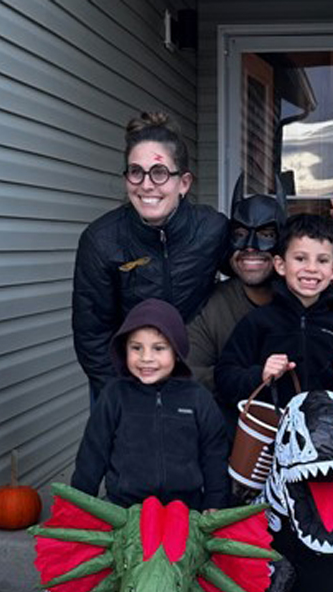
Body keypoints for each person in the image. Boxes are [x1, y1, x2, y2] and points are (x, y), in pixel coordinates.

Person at [188, 192, 333, 466]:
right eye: (240, 234)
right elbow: (192, 374)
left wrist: (332, 407)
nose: (251, 248)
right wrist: (259, 389)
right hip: (257, 418)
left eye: (266, 234)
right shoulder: (221, 304)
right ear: (285, 263)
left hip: (332, 420)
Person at [72, 111, 230, 400]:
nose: (146, 185)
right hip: (124, 381)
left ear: (183, 183)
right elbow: (92, 335)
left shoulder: (210, 229)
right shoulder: (101, 241)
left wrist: (323, 272)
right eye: (136, 172)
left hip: (192, 379)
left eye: (159, 173)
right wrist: (122, 398)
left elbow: (255, 263)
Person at [71, 298, 229, 512]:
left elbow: (214, 455)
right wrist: (77, 504)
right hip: (124, 508)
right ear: (124, 348)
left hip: (185, 511)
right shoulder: (115, 396)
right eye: (136, 348)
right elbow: (92, 453)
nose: (146, 358)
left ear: (177, 350)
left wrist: (214, 503)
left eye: (159, 348)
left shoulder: (198, 398)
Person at [214, 214, 333, 412]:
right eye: (300, 259)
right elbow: (225, 378)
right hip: (270, 429)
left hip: (324, 433)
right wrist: (260, 375)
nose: (311, 269)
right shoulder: (258, 322)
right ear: (280, 265)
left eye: (322, 260)